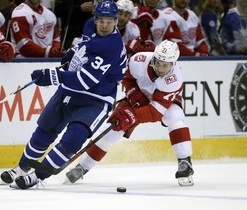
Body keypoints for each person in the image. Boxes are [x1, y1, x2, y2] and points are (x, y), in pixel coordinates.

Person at [0, 0, 127, 189]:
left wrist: (52, 76)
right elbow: (85, 43)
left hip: (96, 99)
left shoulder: (111, 46)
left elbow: (85, 80)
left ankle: (38, 176)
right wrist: (72, 53)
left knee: (74, 137)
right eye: (101, 20)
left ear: (116, 22)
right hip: (69, 90)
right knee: (45, 129)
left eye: (110, 21)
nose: (105, 25)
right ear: (95, 19)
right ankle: (21, 168)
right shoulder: (90, 25)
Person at [66, 40, 195, 187]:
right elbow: (124, 76)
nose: (159, 68)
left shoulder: (174, 79)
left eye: (165, 65)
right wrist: (133, 93)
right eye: (157, 62)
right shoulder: (139, 61)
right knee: (112, 130)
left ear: (173, 64)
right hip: (138, 94)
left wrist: (131, 115)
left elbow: (155, 113)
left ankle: (185, 161)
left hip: (161, 104)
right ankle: (82, 167)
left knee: (174, 116)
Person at [132, 0, 201, 56]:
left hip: (158, 58)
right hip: (136, 56)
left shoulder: (164, 17)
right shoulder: (134, 13)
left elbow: (172, 42)